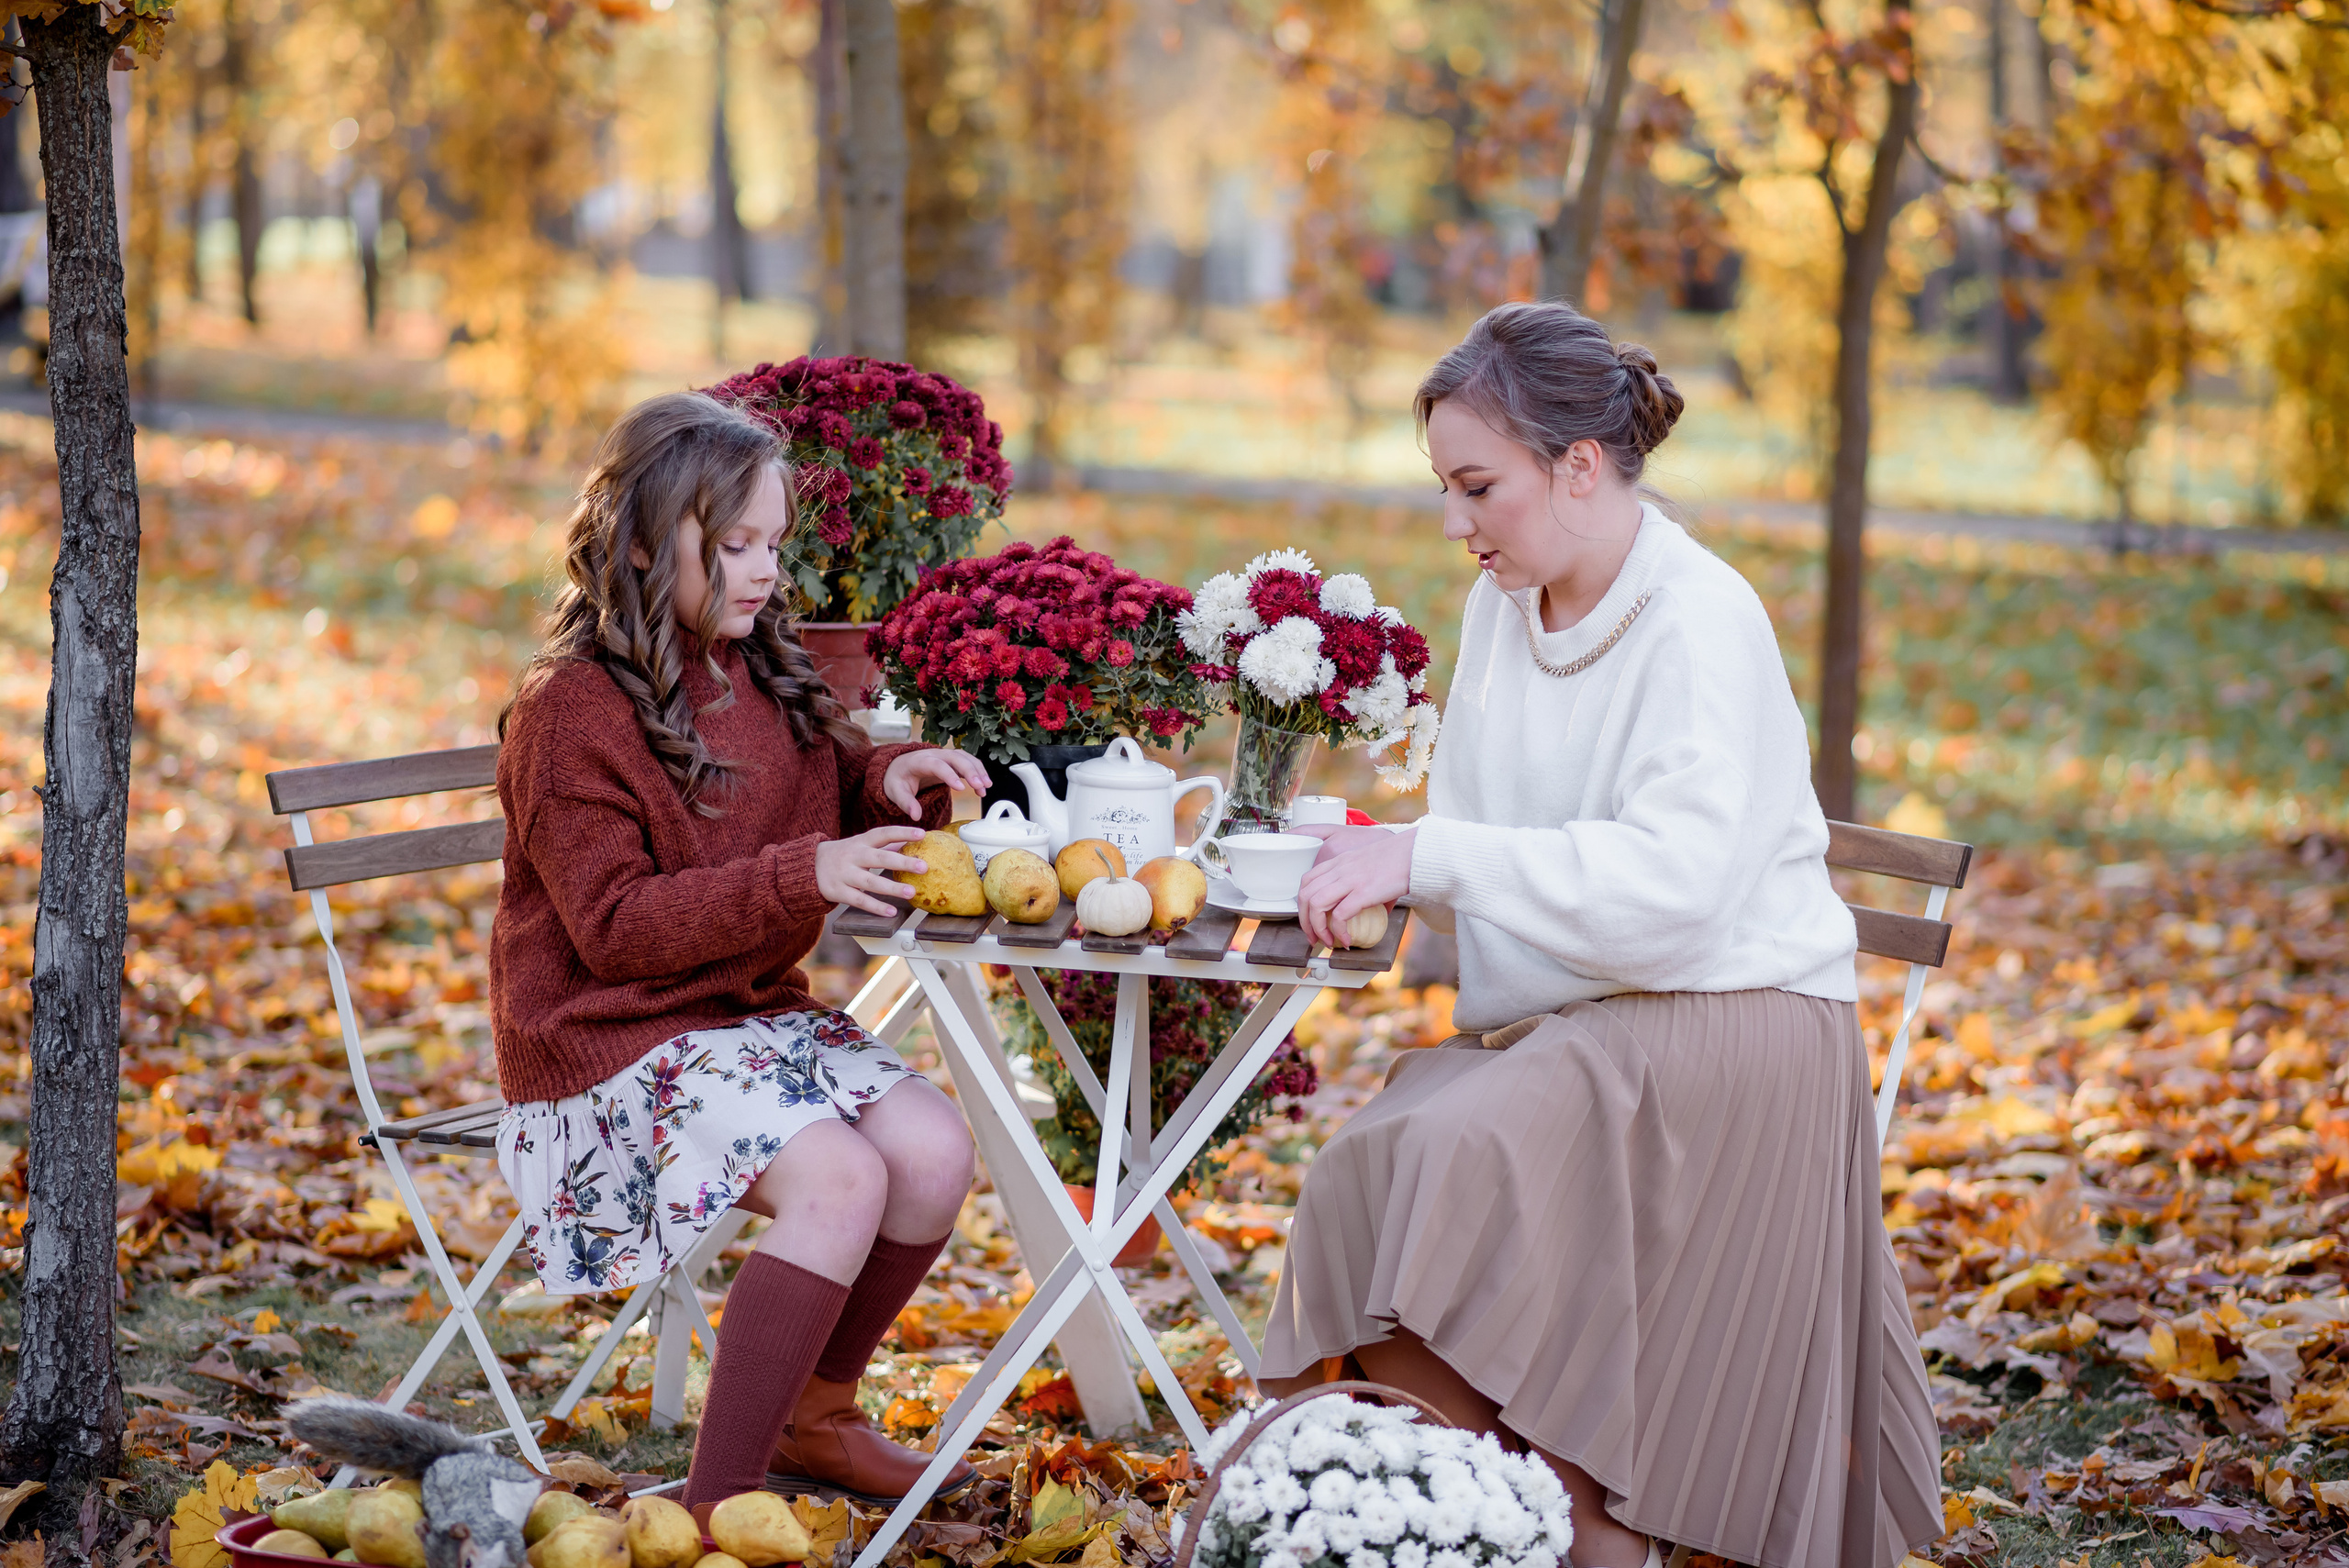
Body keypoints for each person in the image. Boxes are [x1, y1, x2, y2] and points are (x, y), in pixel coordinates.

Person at [1270, 303, 1942, 1568]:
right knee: (1373, 1162)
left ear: (1581, 464)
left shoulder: (1699, 616)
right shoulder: (1503, 610)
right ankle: (1499, 1520)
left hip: (1739, 1028)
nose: (1455, 524)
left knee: (1466, 1153)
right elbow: (1478, 833)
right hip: (1590, 1025)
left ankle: (1587, 1529)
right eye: (1444, 489)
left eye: (1479, 486)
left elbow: (1674, 891)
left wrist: (1426, 855)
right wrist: (1372, 861)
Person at [488, 392, 992, 1515]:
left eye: (774, 543)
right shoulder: (569, 711)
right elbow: (613, 929)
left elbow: (817, 775)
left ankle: (820, 1413)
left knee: (930, 1146)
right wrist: (803, 871)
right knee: (841, 1174)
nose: (766, 571)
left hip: (735, 1018)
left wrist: (885, 778)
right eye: (733, 546)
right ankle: (719, 1506)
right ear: (636, 542)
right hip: (604, 1043)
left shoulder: (754, 665)